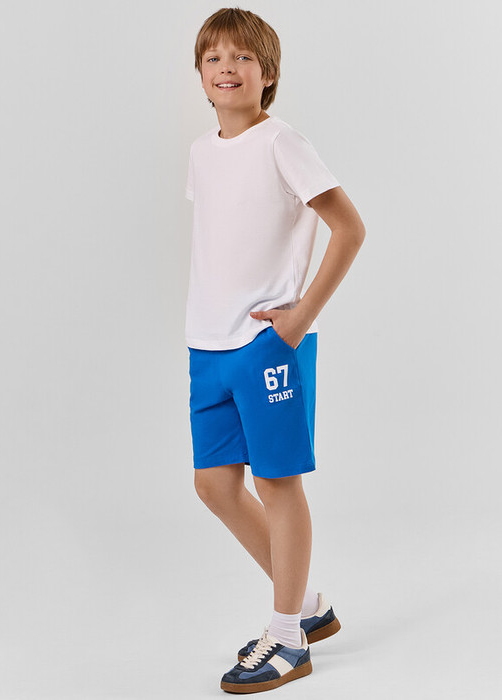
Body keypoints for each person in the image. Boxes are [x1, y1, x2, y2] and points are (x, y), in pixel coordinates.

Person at [184, 7, 366, 693]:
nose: (227, 68)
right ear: (200, 75)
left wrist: (298, 319)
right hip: (207, 343)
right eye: (214, 58)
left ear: (268, 74)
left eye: (242, 58)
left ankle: (288, 636)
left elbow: (349, 228)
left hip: (267, 344)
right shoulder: (202, 152)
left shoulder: (282, 142)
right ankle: (308, 605)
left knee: (276, 481)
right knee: (213, 484)